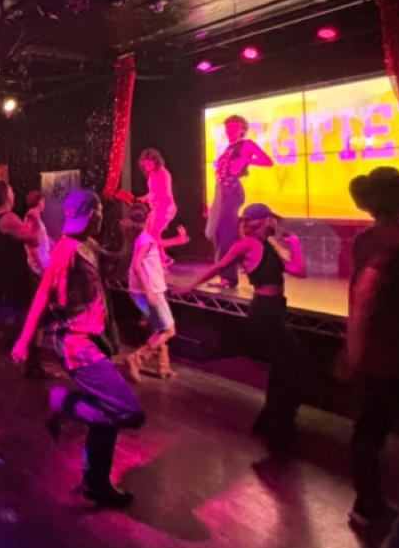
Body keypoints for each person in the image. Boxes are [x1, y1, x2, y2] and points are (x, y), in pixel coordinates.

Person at [12, 188, 145, 510]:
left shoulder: (88, 245)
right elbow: (43, 295)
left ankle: (95, 482)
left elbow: (114, 267)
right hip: (75, 343)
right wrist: (25, 338)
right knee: (128, 411)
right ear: (89, 214)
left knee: (108, 415)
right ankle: (64, 401)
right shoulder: (65, 251)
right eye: (98, 211)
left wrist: (131, 238)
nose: (102, 216)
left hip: (91, 338)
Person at [184, 202, 305, 448]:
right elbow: (218, 266)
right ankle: (276, 423)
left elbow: (299, 270)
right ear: (262, 220)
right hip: (264, 311)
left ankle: (272, 422)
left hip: (274, 309)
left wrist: (295, 245)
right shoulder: (247, 244)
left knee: (286, 366)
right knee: (291, 363)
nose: (276, 223)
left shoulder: (268, 245)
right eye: (272, 219)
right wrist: (188, 286)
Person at [345, 171, 399, 531]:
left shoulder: (368, 239)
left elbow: (362, 296)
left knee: (368, 435)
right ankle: (368, 506)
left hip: (379, 352)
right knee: (372, 433)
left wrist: (354, 348)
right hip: (397, 351)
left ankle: (367, 505)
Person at [207, 116, 273, 288]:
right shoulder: (228, 148)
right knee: (219, 233)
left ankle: (228, 278)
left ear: (242, 129)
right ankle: (229, 273)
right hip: (222, 192)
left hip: (232, 190)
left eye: (233, 128)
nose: (229, 132)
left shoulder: (246, 144)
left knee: (225, 233)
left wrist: (246, 160)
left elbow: (267, 161)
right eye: (227, 128)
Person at [124, 203, 189, 379]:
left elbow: (156, 243)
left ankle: (163, 367)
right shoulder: (144, 239)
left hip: (141, 290)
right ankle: (137, 358)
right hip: (149, 291)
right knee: (168, 330)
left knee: (159, 328)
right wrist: (149, 291)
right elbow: (137, 264)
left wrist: (177, 240)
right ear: (149, 218)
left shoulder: (143, 237)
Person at [137, 149, 177, 262]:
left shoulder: (163, 174)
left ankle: (163, 257)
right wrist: (146, 197)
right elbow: (153, 191)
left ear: (155, 161)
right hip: (156, 207)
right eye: (144, 165)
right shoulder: (151, 175)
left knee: (153, 233)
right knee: (149, 233)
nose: (146, 166)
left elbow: (165, 193)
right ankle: (162, 258)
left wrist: (151, 197)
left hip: (165, 207)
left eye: (148, 163)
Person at [24, 190, 51, 278]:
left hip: (42, 261)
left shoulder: (36, 216)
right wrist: (40, 264)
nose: (44, 203)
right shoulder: (32, 216)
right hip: (39, 265)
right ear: (39, 201)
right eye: (43, 201)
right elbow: (29, 243)